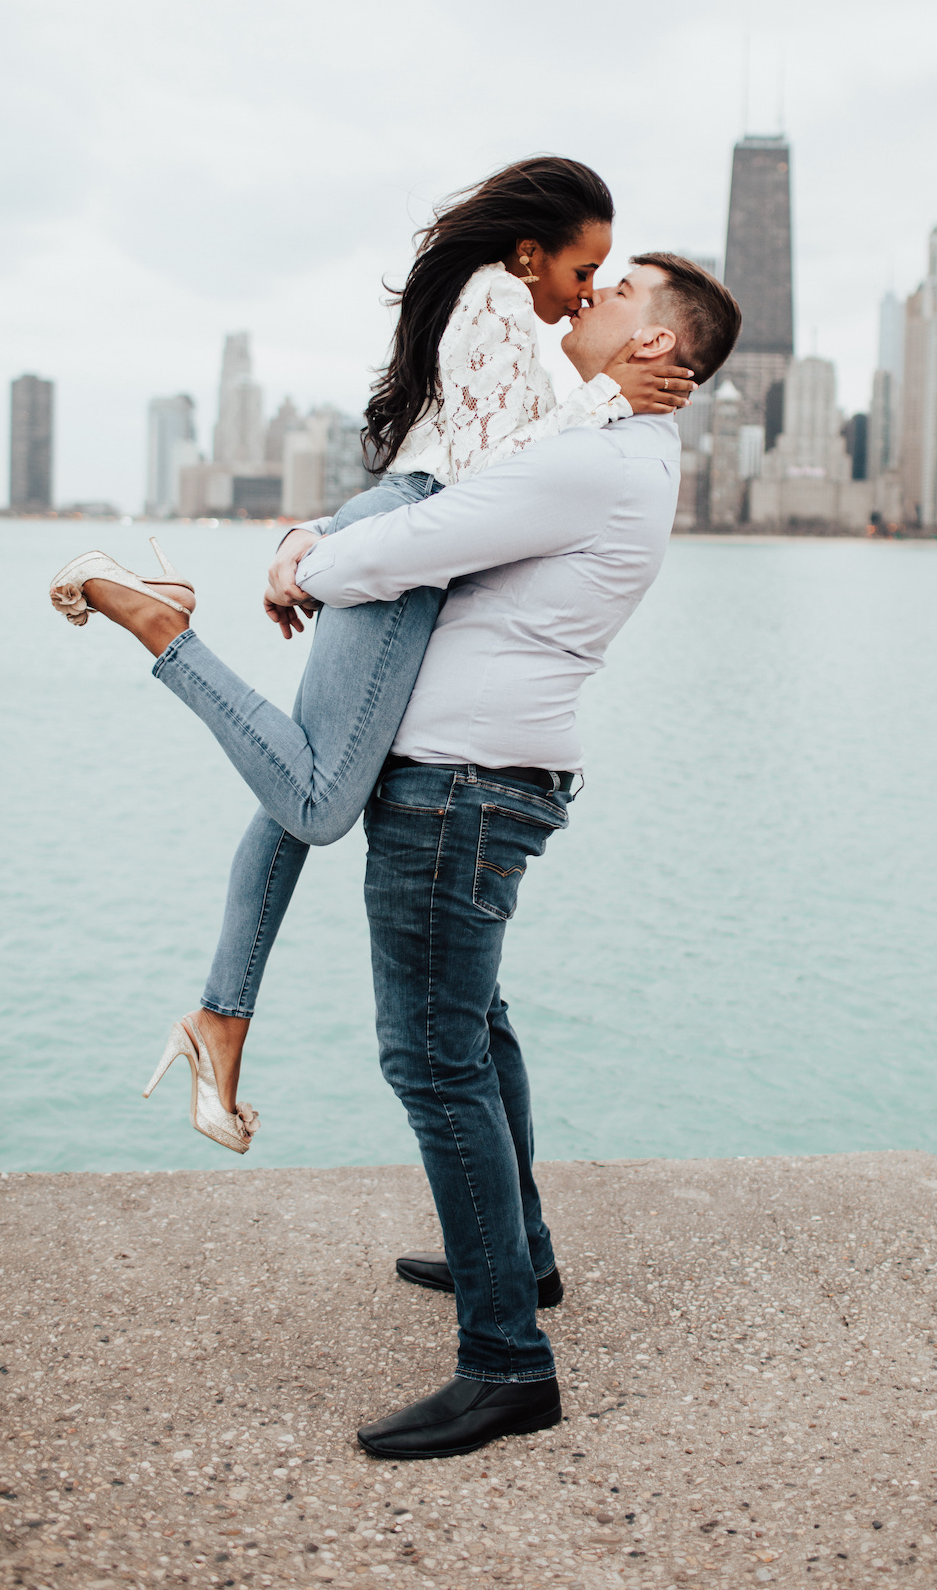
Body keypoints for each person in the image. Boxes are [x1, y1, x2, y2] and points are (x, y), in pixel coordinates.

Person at [49, 252, 740, 1458]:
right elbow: (448, 497)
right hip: (487, 780)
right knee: (477, 1032)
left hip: (461, 791)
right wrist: (326, 536)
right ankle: (519, 1260)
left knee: (430, 1059)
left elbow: (411, 542)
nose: (592, 296)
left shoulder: (595, 460)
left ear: (654, 348)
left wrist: (296, 559)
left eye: (621, 290)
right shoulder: (614, 450)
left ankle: (507, 1363)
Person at [49, 159, 693, 1153]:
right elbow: (490, 477)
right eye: (582, 269)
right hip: (404, 549)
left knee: (296, 793)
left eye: (602, 280)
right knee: (316, 800)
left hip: (399, 535)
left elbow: (467, 474)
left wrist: (310, 537)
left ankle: (221, 1023)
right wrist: (604, 396)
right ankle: (160, 626)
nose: (582, 294)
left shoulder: (507, 317)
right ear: (529, 253)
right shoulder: (493, 300)